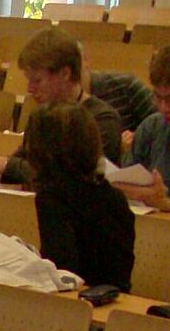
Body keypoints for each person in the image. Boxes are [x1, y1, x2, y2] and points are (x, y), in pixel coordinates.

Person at [0, 28, 122, 184]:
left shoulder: (103, 119)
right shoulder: (41, 116)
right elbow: (23, 160)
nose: (30, 89)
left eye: (37, 80)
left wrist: (7, 165)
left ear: (65, 73)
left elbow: (77, 177)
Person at [25, 103, 135, 290]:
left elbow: (62, 272)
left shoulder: (52, 199)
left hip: (79, 303)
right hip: (115, 297)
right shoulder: (115, 196)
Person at [116, 45, 170, 211]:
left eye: (169, 99)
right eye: (157, 97)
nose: (163, 108)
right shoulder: (152, 126)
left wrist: (164, 204)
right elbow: (121, 184)